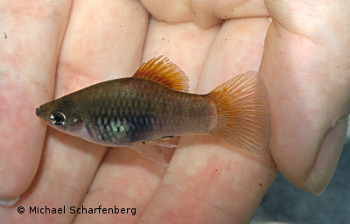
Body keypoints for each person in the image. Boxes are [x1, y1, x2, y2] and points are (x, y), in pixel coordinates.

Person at [0, 1, 349, 223]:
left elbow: (131, 136)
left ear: (77, 120)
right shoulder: (91, 114)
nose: (55, 124)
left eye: (58, 119)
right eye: (56, 120)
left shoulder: (90, 119)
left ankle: (217, 114)